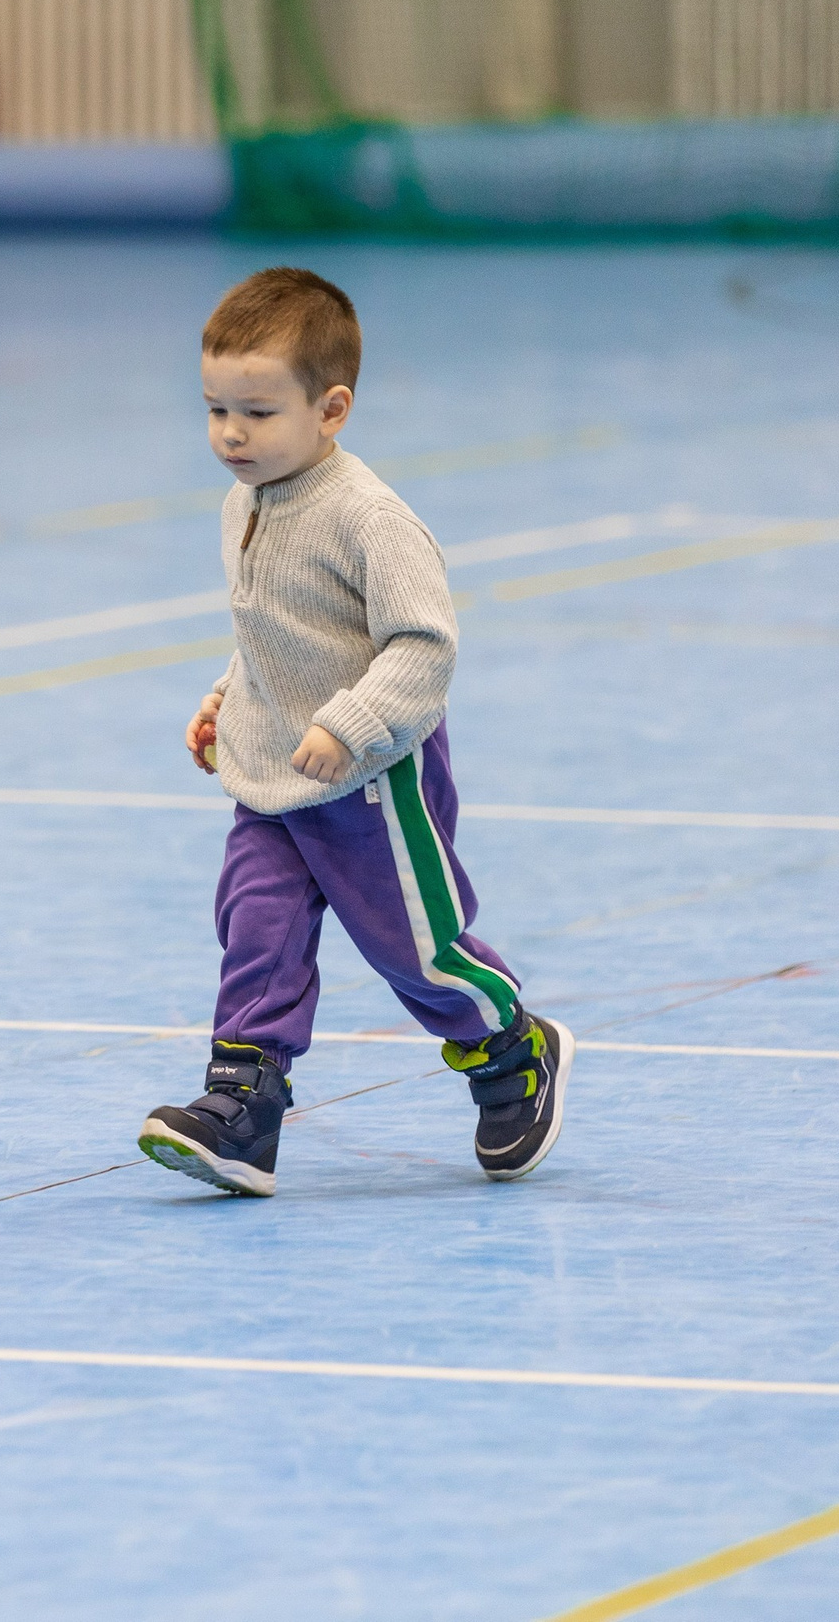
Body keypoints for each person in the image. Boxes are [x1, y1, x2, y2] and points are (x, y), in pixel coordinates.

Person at [138, 268, 574, 1198]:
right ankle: (243, 1108)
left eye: (256, 411)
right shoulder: (243, 502)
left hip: (373, 783)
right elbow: (271, 632)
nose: (230, 434)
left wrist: (351, 724)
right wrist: (227, 697)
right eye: (215, 408)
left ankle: (510, 1051)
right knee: (255, 928)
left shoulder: (370, 518)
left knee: (415, 953)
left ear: (331, 409)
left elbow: (424, 647)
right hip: (270, 780)